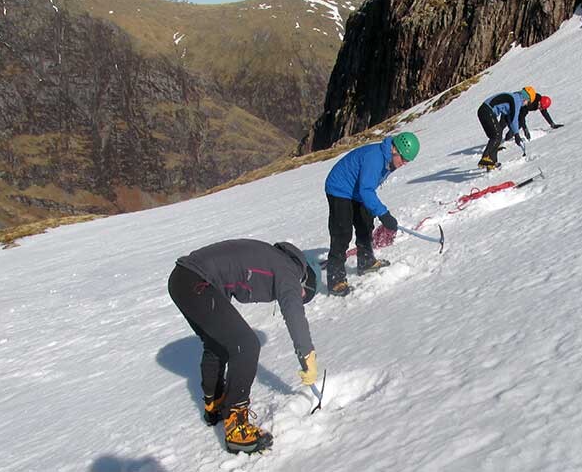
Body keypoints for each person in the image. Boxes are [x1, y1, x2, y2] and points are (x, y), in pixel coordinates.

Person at [168, 238, 321, 454]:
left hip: (183, 279)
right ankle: (236, 427)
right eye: (302, 296)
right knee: (247, 344)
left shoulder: (275, 258)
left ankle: (215, 404)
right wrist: (307, 355)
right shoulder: (289, 272)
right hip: (195, 280)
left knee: (219, 342)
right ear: (305, 282)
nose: (297, 298)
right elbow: (294, 314)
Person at [324, 132, 420, 296]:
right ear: (395, 150)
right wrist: (384, 214)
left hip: (357, 191)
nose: (404, 164)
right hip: (339, 188)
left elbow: (366, 188)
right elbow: (366, 189)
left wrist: (377, 212)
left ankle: (366, 261)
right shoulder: (375, 158)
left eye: (407, 161)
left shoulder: (389, 159)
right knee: (342, 232)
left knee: (366, 223)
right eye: (403, 159)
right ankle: (335, 280)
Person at [477, 86, 535, 169]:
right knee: (497, 135)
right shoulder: (517, 101)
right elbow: (514, 119)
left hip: (483, 111)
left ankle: (492, 163)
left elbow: (509, 118)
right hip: (487, 111)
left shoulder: (514, 96)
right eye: (528, 102)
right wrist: (517, 134)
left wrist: (515, 133)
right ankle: (485, 157)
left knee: (496, 136)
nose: (526, 105)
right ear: (526, 98)